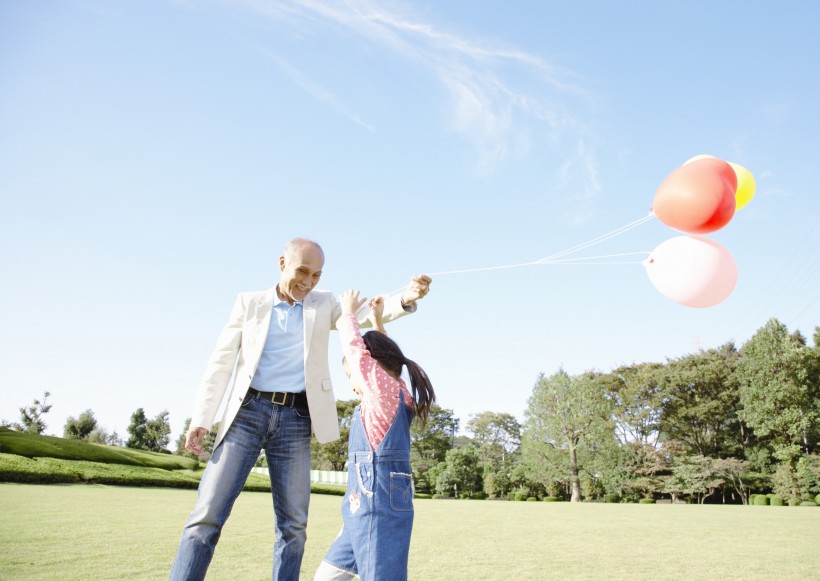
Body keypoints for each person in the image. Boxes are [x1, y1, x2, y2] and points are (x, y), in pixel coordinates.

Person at [169, 238, 431, 581]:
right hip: (247, 414)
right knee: (206, 516)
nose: (308, 283)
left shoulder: (323, 304)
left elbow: (365, 315)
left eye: (317, 276)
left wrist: (407, 297)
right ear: (282, 263)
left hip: (295, 418)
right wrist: (202, 419)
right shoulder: (249, 304)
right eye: (302, 272)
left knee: (293, 528)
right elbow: (220, 363)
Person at [314, 289, 436, 581]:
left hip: (376, 506)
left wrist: (347, 314)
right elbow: (384, 356)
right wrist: (378, 321)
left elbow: (359, 354)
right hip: (361, 508)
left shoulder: (383, 393)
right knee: (328, 576)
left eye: (351, 377)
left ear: (373, 372)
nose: (354, 385)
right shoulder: (396, 389)